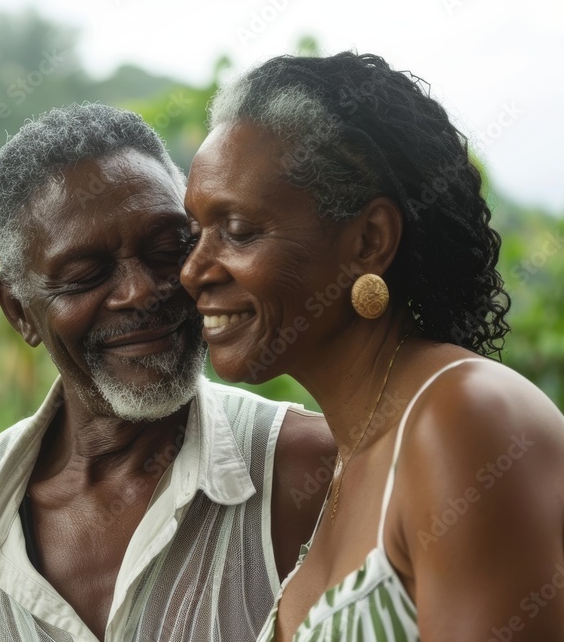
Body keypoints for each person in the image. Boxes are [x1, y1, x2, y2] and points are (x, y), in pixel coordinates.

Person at [0, 103, 334, 642]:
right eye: (84, 275)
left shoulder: (312, 475)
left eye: (168, 249)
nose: (139, 291)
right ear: (20, 311)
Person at [180, 51, 564, 641]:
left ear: (368, 241)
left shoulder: (460, 419)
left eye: (237, 231)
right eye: (194, 234)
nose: (194, 270)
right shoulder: (344, 463)